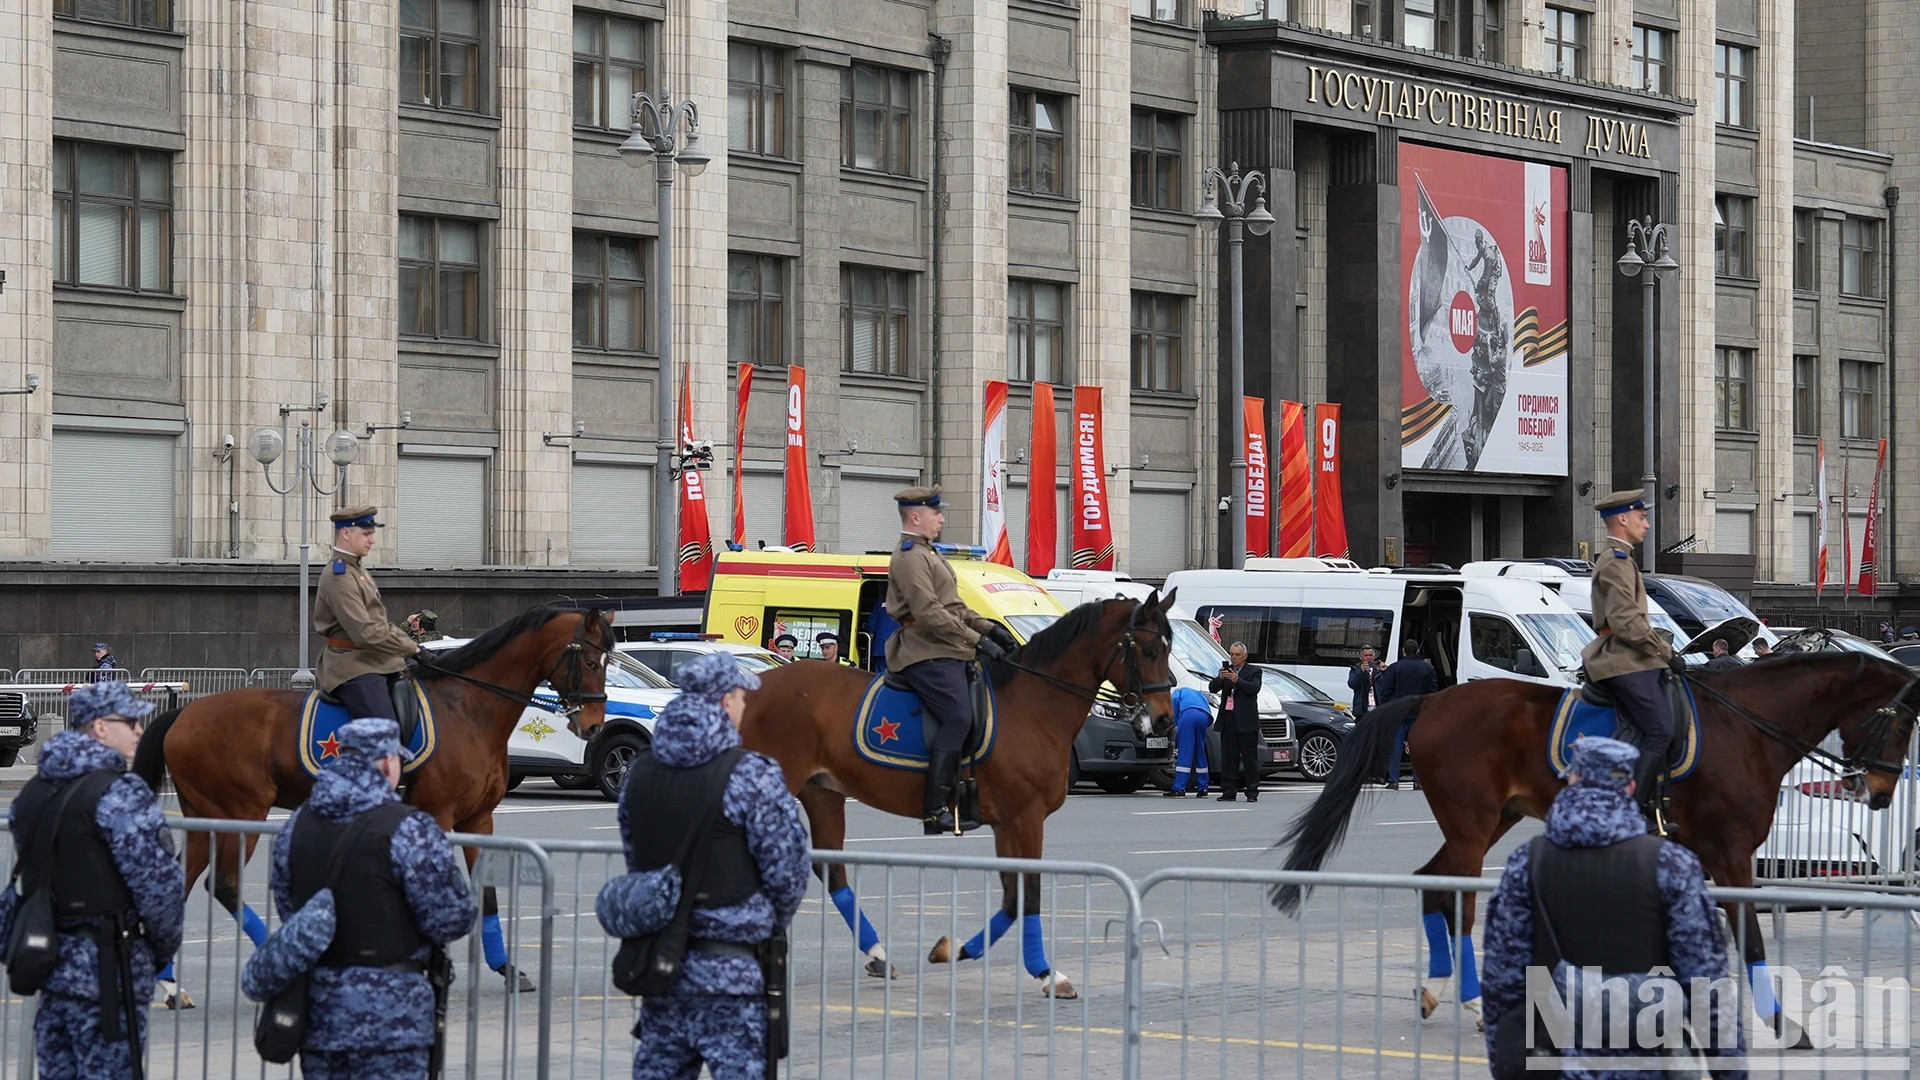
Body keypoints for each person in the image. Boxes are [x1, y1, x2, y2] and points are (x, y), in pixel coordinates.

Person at [1481, 737, 1745, 1077]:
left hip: (1552, 1058)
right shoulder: (1671, 865)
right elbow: (1707, 984)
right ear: (1631, 786)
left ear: (1572, 780)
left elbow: (1502, 981)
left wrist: (1505, 1063)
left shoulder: (1525, 864)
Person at [601, 652, 810, 1080]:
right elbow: (787, 872)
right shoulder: (751, 775)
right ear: (726, 700)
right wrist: (768, 922)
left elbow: (640, 865)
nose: (744, 710)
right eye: (742, 699)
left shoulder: (639, 774)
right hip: (730, 978)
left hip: (662, 967)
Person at [263, 718, 476, 1080]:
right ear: (388, 762)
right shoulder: (410, 828)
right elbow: (451, 917)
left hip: (319, 1016)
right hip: (392, 1019)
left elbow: (290, 908)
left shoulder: (295, 826)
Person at [1, 681, 184, 1079]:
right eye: (131, 721)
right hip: (108, 970)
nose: (140, 730)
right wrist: (157, 954)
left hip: (48, 962)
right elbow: (160, 891)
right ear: (100, 727)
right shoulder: (120, 794)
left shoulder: (34, 791)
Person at [884, 486, 1017, 834]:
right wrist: (976, 641)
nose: (941, 519)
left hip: (945, 646)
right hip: (924, 649)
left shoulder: (929, 554)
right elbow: (928, 613)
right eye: (936, 513)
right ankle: (935, 808)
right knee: (957, 718)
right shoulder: (911, 556)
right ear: (916, 517)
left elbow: (953, 606)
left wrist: (991, 628)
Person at [1579, 491, 1681, 826]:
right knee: (1661, 729)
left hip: (1633, 656)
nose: (1647, 524)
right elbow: (1625, 623)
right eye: (1642, 518)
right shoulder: (1616, 561)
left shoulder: (1622, 558)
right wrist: (1666, 651)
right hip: (1622, 659)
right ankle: (1630, 811)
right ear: (1623, 519)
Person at [313, 507, 422, 723]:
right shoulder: (340, 576)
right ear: (346, 533)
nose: (372, 540)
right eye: (366, 533)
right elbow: (365, 632)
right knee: (384, 732)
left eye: (372, 533)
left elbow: (381, 623)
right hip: (352, 666)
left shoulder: (359, 572)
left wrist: (414, 648)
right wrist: (413, 649)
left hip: (373, 660)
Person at [1208, 642, 1264, 803]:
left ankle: (1252, 791)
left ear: (1245, 656)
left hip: (1247, 720)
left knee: (1249, 758)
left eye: (1237, 654)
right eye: (1232, 654)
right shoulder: (1227, 671)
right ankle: (1228, 791)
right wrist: (1220, 678)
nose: (1234, 657)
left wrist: (1237, 680)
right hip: (1228, 718)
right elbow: (1212, 688)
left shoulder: (1254, 671)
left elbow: (1255, 688)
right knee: (1228, 757)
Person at [1378, 640, 1437, 790]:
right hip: (1418, 712)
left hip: (1398, 711)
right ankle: (1417, 780)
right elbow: (1432, 691)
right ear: (1417, 651)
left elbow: (1386, 691)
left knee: (1395, 747)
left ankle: (1393, 780)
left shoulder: (1395, 668)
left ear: (1403, 651)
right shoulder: (1428, 668)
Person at [1162, 686, 1213, 798]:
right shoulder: (1198, 693)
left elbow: (1174, 707)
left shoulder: (1177, 692)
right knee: (1200, 751)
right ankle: (1203, 788)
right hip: (1204, 716)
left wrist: (1175, 725)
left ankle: (1179, 788)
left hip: (1188, 714)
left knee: (1185, 751)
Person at [1347, 646, 1384, 718]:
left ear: (1374, 657)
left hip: (1378, 708)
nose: (1368, 657)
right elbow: (1352, 684)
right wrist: (1361, 671)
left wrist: (1385, 671)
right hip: (1362, 709)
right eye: (1366, 655)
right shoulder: (1355, 669)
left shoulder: (1379, 669)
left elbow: (1387, 686)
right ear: (1361, 657)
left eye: (1370, 655)